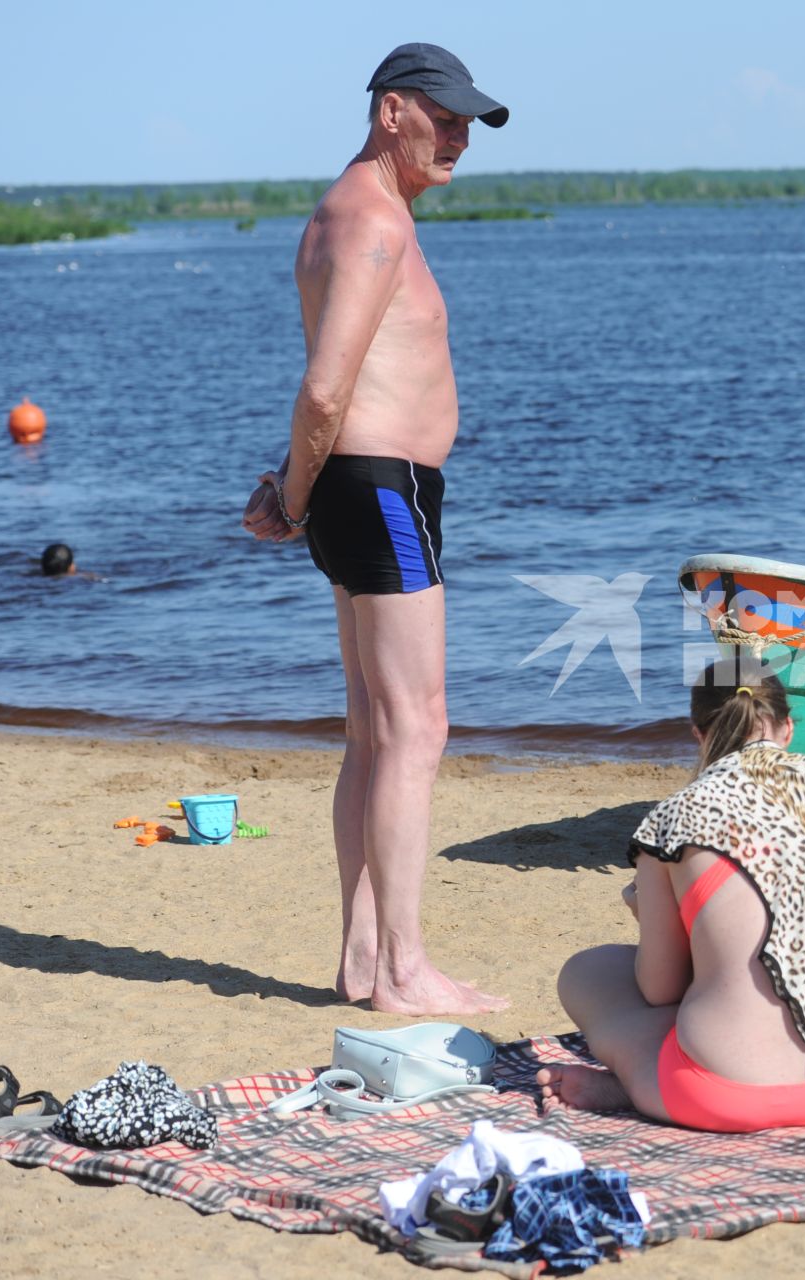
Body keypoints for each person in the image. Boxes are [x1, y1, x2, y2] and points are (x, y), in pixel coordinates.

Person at [241, 43, 511, 1016]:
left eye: (469, 124)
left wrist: (297, 486)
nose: (459, 137)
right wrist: (299, 493)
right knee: (416, 728)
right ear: (391, 109)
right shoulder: (371, 223)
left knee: (375, 731)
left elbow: (330, 379)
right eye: (442, 117)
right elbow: (327, 387)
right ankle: (402, 967)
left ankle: (363, 958)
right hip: (380, 488)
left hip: (363, 486)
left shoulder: (349, 211)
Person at [538, 661, 805, 1132]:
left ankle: (638, 1082)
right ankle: (651, 1078)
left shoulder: (677, 818)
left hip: (723, 1092)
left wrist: (652, 917)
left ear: (698, 733)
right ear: (787, 729)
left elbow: (660, 989)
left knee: (590, 972)